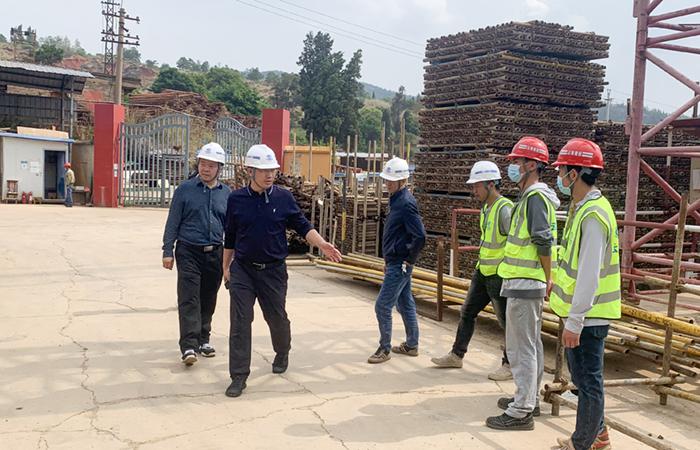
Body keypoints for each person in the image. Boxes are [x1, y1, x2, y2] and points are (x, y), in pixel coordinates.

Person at [223, 144, 342, 398]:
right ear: (251, 171)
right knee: (240, 322)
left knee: (276, 318)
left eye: (273, 170)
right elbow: (230, 236)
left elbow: (303, 226)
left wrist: (321, 243)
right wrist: (225, 266)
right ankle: (238, 376)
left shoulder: (283, 198)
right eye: (264, 170)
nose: (269, 175)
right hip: (243, 269)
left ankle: (282, 350)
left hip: (273, 271)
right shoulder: (236, 199)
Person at [486, 136, 560, 431]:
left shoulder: (534, 199)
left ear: (532, 165)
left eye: (517, 162)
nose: (513, 167)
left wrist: (548, 276)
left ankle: (521, 411)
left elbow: (543, 240)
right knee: (531, 345)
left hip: (526, 283)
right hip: (525, 282)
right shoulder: (532, 197)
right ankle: (529, 399)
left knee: (520, 349)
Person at [550, 138, 620, 450]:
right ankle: (598, 434)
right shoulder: (584, 209)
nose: (559, 176)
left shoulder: (592, 215)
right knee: (582, 380)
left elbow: (590, 275)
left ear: (575, 173)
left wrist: (575, 320)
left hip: (589, 317)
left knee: (589, 383)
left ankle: (583, 443)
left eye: (561, 170)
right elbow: (575, 264)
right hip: (582, 314)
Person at [431, 161, 514, 381]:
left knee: (507, 322)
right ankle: (456, 355)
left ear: (490, 184)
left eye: (477, 186)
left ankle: (510, 365)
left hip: (499, 275)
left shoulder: (504, 209)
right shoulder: (487, 208)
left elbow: (515, 244)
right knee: (467, 312)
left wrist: (507, 271)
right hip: (483, 272)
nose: (474, 191)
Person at [162, 143, 230, 366]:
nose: (206, 169)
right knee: (189, 297)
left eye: (211, 165)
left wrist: (231, 258)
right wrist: (167, 250)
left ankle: (203, 339)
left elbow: (231, 227)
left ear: (219, 168)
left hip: (215, 252)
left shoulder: (226, 194)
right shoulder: (185, 190)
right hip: (188, 250)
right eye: (203, 164)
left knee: (209, 297)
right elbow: (173, 221)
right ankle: (189, 345)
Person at [368, 157, 427, 364]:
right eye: (386, 179)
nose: (388, 183)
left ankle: (384, 349)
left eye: (391, 180)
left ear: (403, 180)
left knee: (382, 306)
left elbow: (420, 236)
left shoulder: (406, 203)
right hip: (395, 261)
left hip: (400, 264)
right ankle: (411, 345)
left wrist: (408, 260)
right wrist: (389, 259)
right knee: (405, 304)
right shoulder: (396, 200)